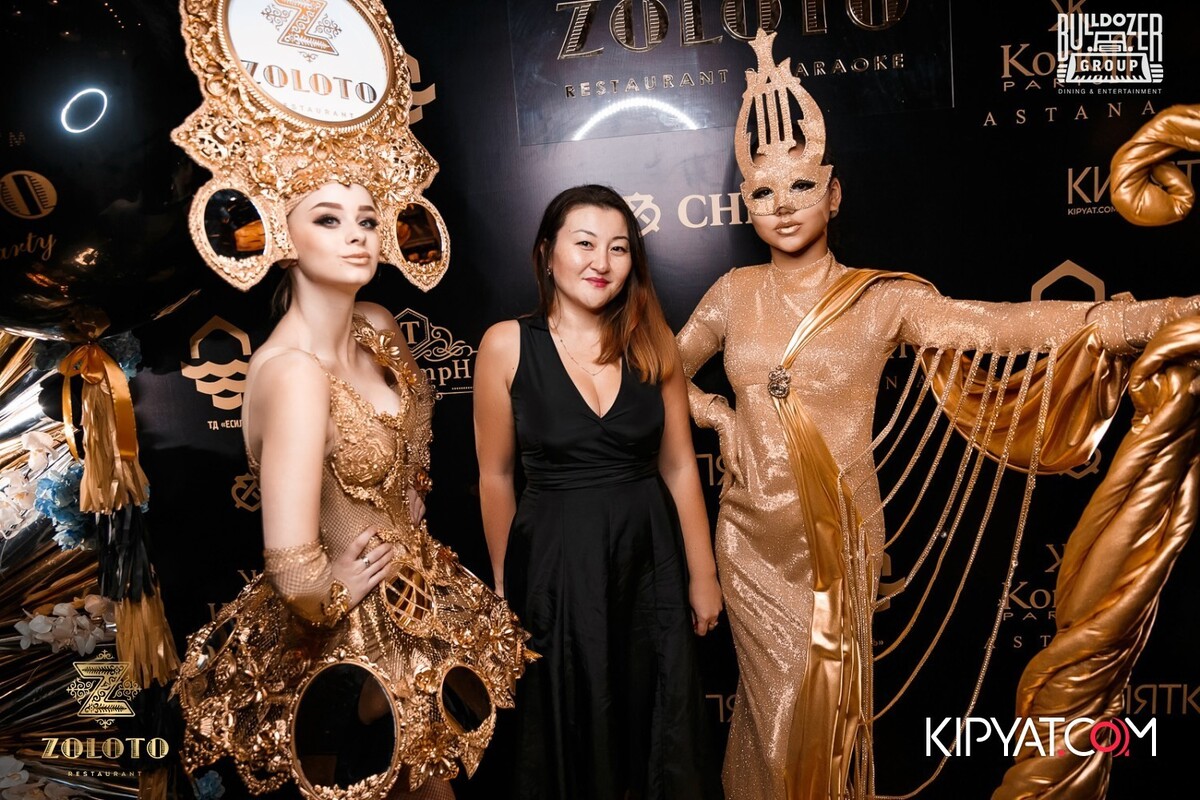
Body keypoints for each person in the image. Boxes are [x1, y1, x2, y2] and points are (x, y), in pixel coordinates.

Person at [674, 31, 1200, 800]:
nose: (782, 206)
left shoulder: (882, 299)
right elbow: (658, 373)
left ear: (834, 193)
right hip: (749, 535)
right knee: (769, 711)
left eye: (801, 186)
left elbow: (999, 327)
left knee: (827, 717)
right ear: (745, 204)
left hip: (837, 537)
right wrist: (719, 416)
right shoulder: (731, 293)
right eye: (762, 192)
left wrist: (1145, 319)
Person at [173, 183, 533, 800]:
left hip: (418, 601)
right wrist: (336, 584)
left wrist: (410, 488)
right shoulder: (294, 373)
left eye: (367, 220)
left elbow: (413, 432)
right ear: (282, 237)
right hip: (350, 644)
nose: (356, 235)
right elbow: (292, 571)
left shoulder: (376, 325)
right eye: (328, 219)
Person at [473, 184, 726, 799]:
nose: (601, 263)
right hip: (555, 567)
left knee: (653, 719)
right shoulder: (506, 344)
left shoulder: (654, 343)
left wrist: (702, 576)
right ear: (546, 254)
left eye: (618, 248)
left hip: (648, 563)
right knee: (568, 723)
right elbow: (495, 475)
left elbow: (679, 467)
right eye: (584, 243)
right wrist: (507, 584)